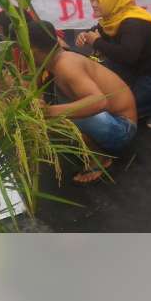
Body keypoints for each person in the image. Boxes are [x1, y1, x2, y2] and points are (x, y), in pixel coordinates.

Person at [30, 20, 137, 185]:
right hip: (111, 121)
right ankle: (94, 147)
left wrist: (50, 111)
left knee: (56, 117)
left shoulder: (65, 65)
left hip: (122, 130)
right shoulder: (54, 58)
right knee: (53, 114)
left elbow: (99, 102)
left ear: (34, 50)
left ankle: (100, 159)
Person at [76, 0, 151, 129]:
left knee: (123, 110)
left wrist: (96, 41)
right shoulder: (111, 18)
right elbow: (97, 32)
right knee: (110, 99)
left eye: (98, 0)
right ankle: (142, 96)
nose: (93, 4)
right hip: (133, 68)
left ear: (113, 0)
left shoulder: (133, 24)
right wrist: (85, 36)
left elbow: (127, 55)